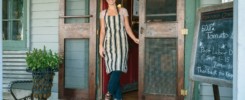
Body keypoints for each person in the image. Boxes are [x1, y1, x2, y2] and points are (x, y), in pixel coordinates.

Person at [99, 0, 139, 99]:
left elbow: (127, 27)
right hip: (108, 45)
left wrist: (134, 39)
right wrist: (100, 45)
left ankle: (108, 93)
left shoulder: (123, 11)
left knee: (118, 68)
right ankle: (118, 98)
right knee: (113, 71)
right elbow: (103, 31)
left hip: (121, 44)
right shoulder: (103, 13)